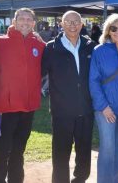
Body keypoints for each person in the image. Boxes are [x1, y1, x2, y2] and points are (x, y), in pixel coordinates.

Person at [42, 10, 96, 183]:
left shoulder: (91, 46)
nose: (72, 25)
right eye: (68, 22)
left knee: (84, 150)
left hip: (86, 109)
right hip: (62, 111)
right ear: (62, 24)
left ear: (81, 25)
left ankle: (80, 179)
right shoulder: (51, 48)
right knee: (60, 152)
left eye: (76, 22)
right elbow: (39, 73)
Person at [0, 8, 45, 183]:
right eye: (21, 18)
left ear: (33, 23)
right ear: (13, 21)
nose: (25, 21)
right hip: (5, 108)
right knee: (1, 152)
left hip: (28, 108)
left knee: (18, 151)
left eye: (28, 19)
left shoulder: (39, 45)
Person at [89, 13, 118, 183]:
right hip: (105, 109)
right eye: (113, 28)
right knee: (108, 148)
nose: (117, 31)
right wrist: (103, 107)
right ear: (108, 30)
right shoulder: (99, 51)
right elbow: (93, 81)